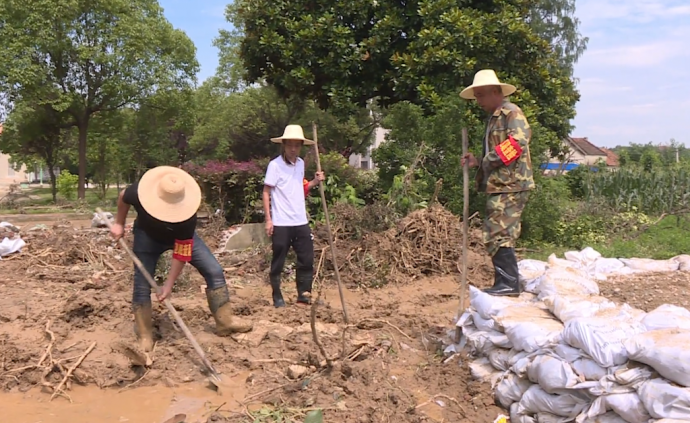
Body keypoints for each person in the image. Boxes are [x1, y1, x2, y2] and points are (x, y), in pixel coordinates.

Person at [110, 166, 253, 352]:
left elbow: (181, 253)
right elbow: (123, 197)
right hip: (147, 236)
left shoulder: (187, 216)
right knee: (141, 286)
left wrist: (168, 286)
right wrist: (119, 223)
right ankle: (145, 335)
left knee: (214, 271)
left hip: (178, 236)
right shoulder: (140, 192)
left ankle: (225, 322)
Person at [459, 69, 535, 297]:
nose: (479, 101)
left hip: (511, 185)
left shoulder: (511, 113)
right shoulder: (494, 118)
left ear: (495, 92)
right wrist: (478, 162)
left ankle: (508, 285)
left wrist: (489, 161)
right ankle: (506, 282)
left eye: (481, 95)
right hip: (501, 185)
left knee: (498, 233)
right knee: (497, 232)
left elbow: (519, 141)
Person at [262, 124, 325, 307]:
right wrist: (268, 219)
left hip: (300, 221)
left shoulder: (301, 164)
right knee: (279, 260)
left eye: (297, 145)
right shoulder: (275, 166)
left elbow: (299, 189)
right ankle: (277, 296)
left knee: (306, 259)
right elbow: (266, 192)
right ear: (284, 145)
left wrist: (315, 181)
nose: (293, 149)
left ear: (300, 147)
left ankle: (304, 296)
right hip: (281, 223)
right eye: (290, 145)